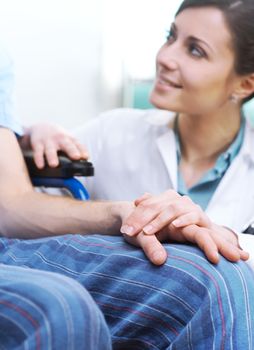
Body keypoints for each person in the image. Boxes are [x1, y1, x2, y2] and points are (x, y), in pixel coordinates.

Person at [1, 1, 254, 349]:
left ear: (245, 84)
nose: (165, 57)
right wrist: (25, 134)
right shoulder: (112, 131)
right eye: (171, 37)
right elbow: (27, 211)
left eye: (195, 51)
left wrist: (223, 237)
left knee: (223, 279)